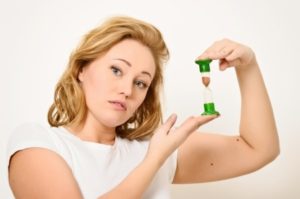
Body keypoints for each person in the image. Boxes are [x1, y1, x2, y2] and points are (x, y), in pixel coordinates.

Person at [7, 16, 280, 199]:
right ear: (81, 69)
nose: (127, 89)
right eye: (116, 70)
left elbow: (258, 149)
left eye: (141, 83)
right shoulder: (39, 142)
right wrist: (153, 162)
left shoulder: (151, 148)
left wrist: (248, 67)